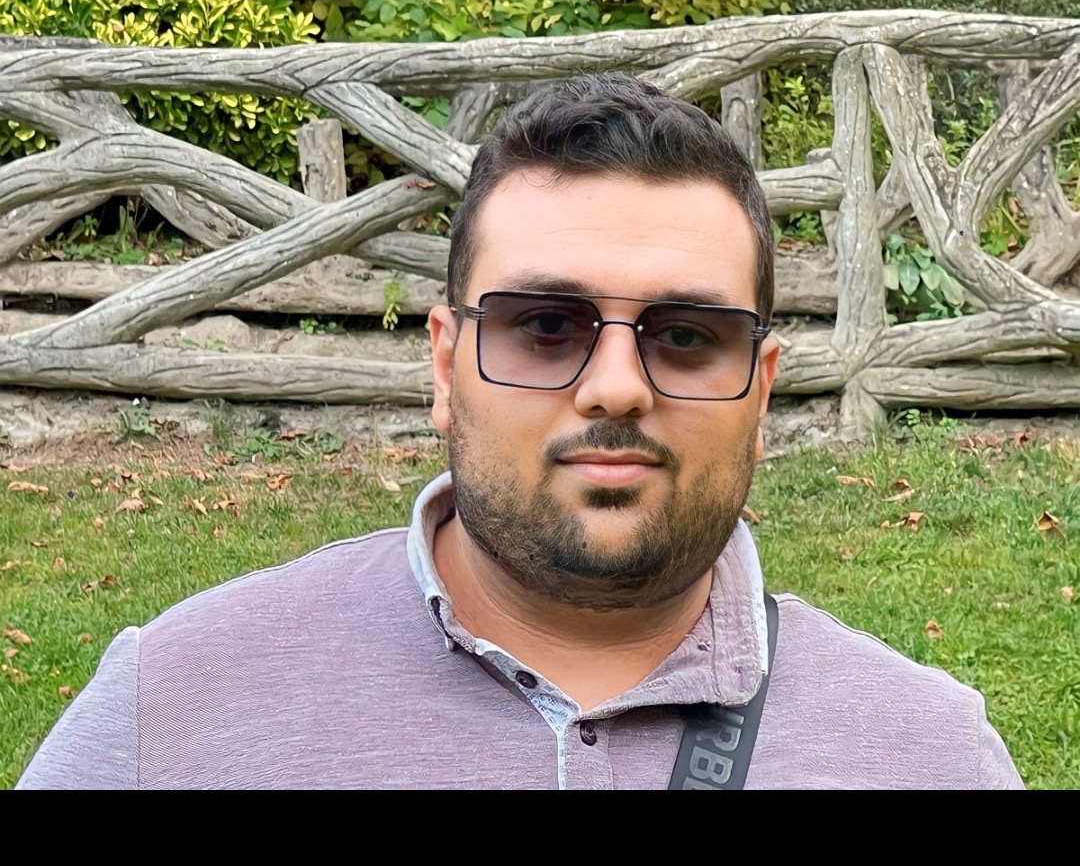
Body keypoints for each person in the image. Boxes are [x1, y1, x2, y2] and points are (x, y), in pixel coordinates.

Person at [17, 75, 1023, 792]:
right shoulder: (173, 708)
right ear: (445, 366)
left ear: (759, 393)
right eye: (545, 327)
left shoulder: (932, 757)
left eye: (685, 336)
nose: (616, 389)